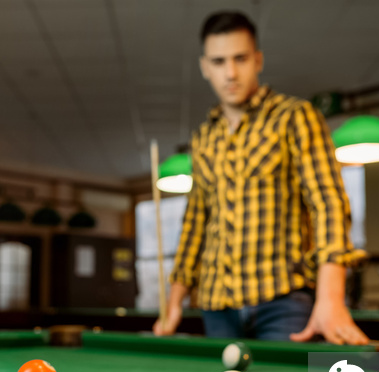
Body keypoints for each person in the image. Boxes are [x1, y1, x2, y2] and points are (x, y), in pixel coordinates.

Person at [153, 11, 368, 345]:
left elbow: (328, 203)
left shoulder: (295, 117)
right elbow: (195, 223)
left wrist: (331, 297)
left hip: (282, 300)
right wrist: (175, 299)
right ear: (204, 67)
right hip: (216, 304)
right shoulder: (202, 139)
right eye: (219, 61)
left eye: (240, 58)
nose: (231, 72)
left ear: (258, 60)